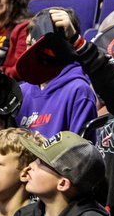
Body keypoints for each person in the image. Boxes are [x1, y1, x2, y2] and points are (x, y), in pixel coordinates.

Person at [19, 10, 97, 140]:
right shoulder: (21, 92)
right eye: (28, 44)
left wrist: (45, 151)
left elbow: (82, 156)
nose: (28, 52)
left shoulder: (79, 91)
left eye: (34, 45)